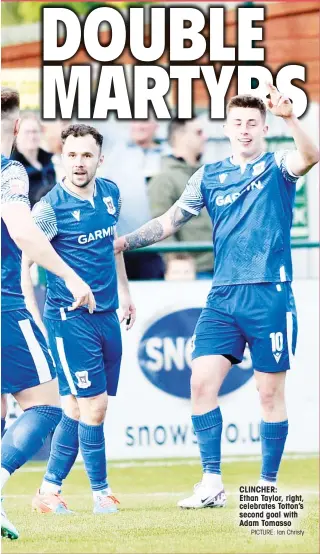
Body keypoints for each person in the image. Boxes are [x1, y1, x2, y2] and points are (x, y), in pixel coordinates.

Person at [114, 85, 319, 508]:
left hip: (269, 294)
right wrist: (126, 242)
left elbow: (311, 156)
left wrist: (290, 118)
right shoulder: (208, 176)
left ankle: (267, 486)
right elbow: (170, 221)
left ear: (263, 127)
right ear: (226, 129)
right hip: (222, 296)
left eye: (252, 123)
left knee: (268, 394)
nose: (244, 130)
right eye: (237, 123)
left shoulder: (277, 166)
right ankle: (211, 483)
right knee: (200, 381)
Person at [21, 123, 136, 516]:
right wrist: (34, 314)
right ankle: (101, 493)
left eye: (87, 155)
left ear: (99, 159)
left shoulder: (110, 194)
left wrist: (125, 291)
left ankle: (48, 492)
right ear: (61, 158)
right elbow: (26, 260)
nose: (79, 163)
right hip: (69, 319)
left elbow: (113, 244)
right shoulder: (49, 209)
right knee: (95, 406)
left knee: (75, 409)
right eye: (71, 155)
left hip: (106, 314)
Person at [1, 88, 95, 540]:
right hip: (4, 304)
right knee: (46, 407)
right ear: (18, 128)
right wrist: (71, 276)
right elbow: (22, 230)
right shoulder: (11, 171)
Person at [148, 117, 214, 279]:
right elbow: (160, 226)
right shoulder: (164, 179)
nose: (204, 137)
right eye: (198, 132)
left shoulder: (208, 175)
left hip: (223, 267)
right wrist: (178, 262)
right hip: (196, 272)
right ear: (180, 137)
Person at [100, 119, 165, 280]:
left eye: (146, 120)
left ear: (156, 125)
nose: (140, 125)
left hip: (157, 248)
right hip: (122, 245)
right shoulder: (114, 152)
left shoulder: (166, 155)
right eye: (136, 120)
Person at [11, 112, 56, 207]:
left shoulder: (49, 160)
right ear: (17, 134)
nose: (32, 136)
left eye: (35, 131)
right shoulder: (11, 166)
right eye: (27, 132)